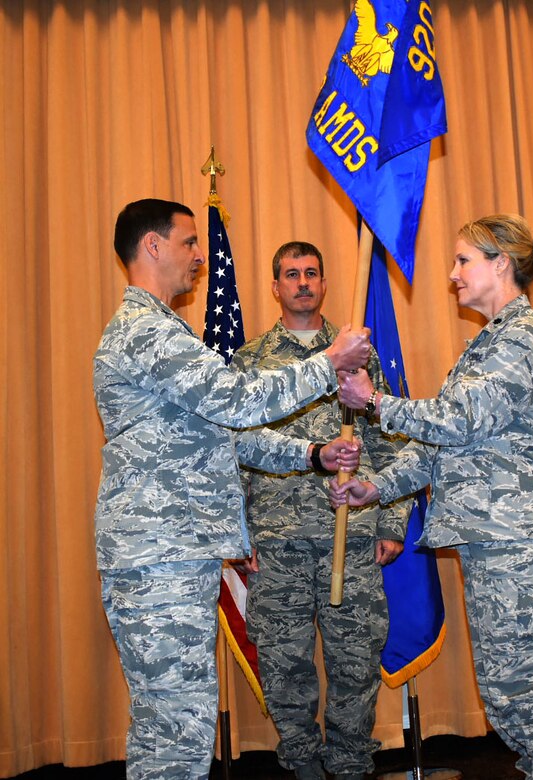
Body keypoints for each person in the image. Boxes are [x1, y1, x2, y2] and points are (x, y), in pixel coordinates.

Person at [93, 199, 371, 780]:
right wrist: (328, 363)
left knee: (178, 727)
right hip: (158, 555)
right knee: (175, 732)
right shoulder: (145, 331)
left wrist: (312, 454)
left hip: (176, 552)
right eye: (190, 242)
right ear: (153, 246)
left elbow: (229, 433)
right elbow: (238, 401)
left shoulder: (166, 328)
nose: (201, 256)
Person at [331, 214, 533, 779]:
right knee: (506, 694)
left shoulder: (524, 336)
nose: (452, 274)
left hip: (521, 542)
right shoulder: (486, 344)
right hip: (493, 543)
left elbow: (461, 418)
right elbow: (433, 447)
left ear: (501, 263)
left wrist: (375, 402)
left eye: (462, 260)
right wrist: (374, 487)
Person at [231, 241, 409, 780]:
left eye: (311, 273)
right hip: (277, 543)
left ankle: (352, 765)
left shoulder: (358, 353)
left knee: (355, 664)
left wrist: (393, 520)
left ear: (326, 283)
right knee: (286, 666)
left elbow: (388, 439)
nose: (302, 282)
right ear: (276, 286)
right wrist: (239, 539)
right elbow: (234, 453)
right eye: (291, 274)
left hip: (351, 534)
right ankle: (303, 765)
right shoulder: (250, 361)